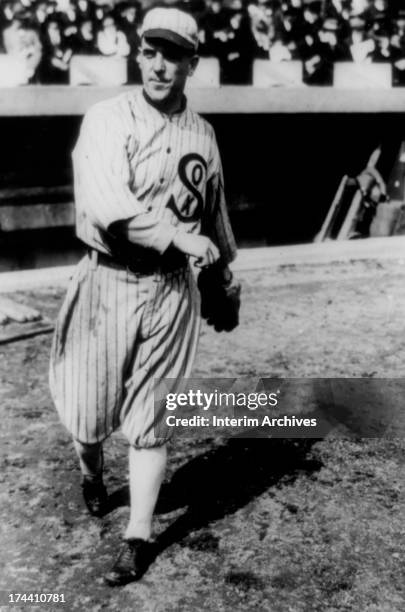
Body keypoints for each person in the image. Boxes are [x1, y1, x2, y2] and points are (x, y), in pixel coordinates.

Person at [49, 6, 238, 587]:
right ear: (139, 55)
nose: (159, 66)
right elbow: (108, 205)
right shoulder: (107, 119)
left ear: (191, 63)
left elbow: (214, 219)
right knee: (88, 416)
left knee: (150, 420)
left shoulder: (203, 135)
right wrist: (177, 235)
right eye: (151, 52)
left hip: (174, 290)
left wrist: (222, 282)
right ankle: (90, 469)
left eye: (173, 55)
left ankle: (138, 537)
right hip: (109, 280)